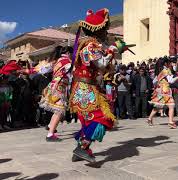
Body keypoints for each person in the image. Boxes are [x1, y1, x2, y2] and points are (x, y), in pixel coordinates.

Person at [69, 8, 128, 162]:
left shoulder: (91, 45)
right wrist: (111, 51)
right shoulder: (90, 46)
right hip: (85, 89)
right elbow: (101, 65)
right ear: (99, 30)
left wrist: (111, 53)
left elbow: (106, 68)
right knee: (103, 118)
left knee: (88, 120)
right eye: (105, 30)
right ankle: (82, 148)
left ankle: (80, 150)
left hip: (86, 88)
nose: (106, 33)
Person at [39, 46, 73, 142]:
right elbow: (74, 71)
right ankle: (50, 134)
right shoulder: (67, 61)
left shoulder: (56, 61)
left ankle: (50, 125)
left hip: (54, 86)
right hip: (59, 87)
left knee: (59, 110)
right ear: (68, 53)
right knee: (59, 110)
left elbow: (42, 70)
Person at [148, 57, 178, 129]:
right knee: (171, 105)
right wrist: (177, 77)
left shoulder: (159, 71)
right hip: (166, 90)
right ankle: (170, 122)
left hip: (161, 90)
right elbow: (171, 81)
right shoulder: (166, 70)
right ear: (165, 63)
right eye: (169, 62)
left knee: (158, 106)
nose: (170, 63)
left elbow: (154, 81)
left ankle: (149, 118)